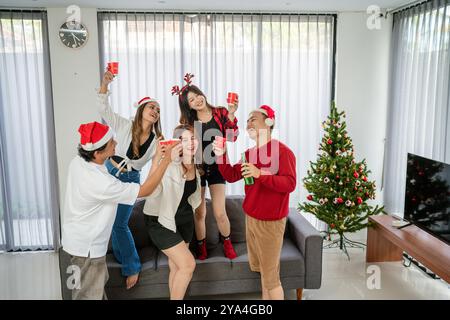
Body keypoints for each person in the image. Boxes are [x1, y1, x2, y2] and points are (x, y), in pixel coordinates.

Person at [61, 121, 177, 300]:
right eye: (111, 143)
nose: (116, 144)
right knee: (88, 295)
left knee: (89, 290)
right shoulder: (100, 183)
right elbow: (146, 190)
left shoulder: (79, 162)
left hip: (76, 243)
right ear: (98, 152)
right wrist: (166, 160)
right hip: (88, 250)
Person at [213, 105, 297, 300]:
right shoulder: (249, 154)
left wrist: (260, 174)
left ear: (268, 123)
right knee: (263, 274)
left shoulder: (283, 152)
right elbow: (231, 175)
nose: (248, 122)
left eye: (253, 118)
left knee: (272, 279)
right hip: (251, 219)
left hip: (270, 222)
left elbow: (290, 184)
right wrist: (221, 154)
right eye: (248, 119)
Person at [98, 70, 163, 289]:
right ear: (142, 109)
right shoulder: (125, 125)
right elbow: (103, 109)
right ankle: (118, 255)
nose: (155, 111)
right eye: (152, 107)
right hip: (108, 172)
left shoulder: (156, 141)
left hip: (131, 179)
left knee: (120, 223)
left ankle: (132, 266)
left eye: (158, 110)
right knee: (108, 219)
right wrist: (105, 84)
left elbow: (157, 166)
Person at [172, 73, 238, 260]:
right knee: (200, 212)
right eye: (191, 100)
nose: (196, 100)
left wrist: (232, 114)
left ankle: (227, 242)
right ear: (189, 105)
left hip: (218, 168)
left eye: (196, 95)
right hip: (198, 170)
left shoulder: (221, 112)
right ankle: (201, 247)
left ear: (202, 93)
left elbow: (233, 138)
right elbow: (180, 139)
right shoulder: (189, 122)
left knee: (219, 212)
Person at [143, 124, 202, 299]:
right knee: (188, 265)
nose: (190, 142)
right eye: (185, 139)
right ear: (177, 143)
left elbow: (192, 197)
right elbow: (150, 190)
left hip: (184, 219)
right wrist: (156, 163)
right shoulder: (169, 164)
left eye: (192, 138)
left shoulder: (195, 166)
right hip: (160, 220)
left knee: (176, 266)